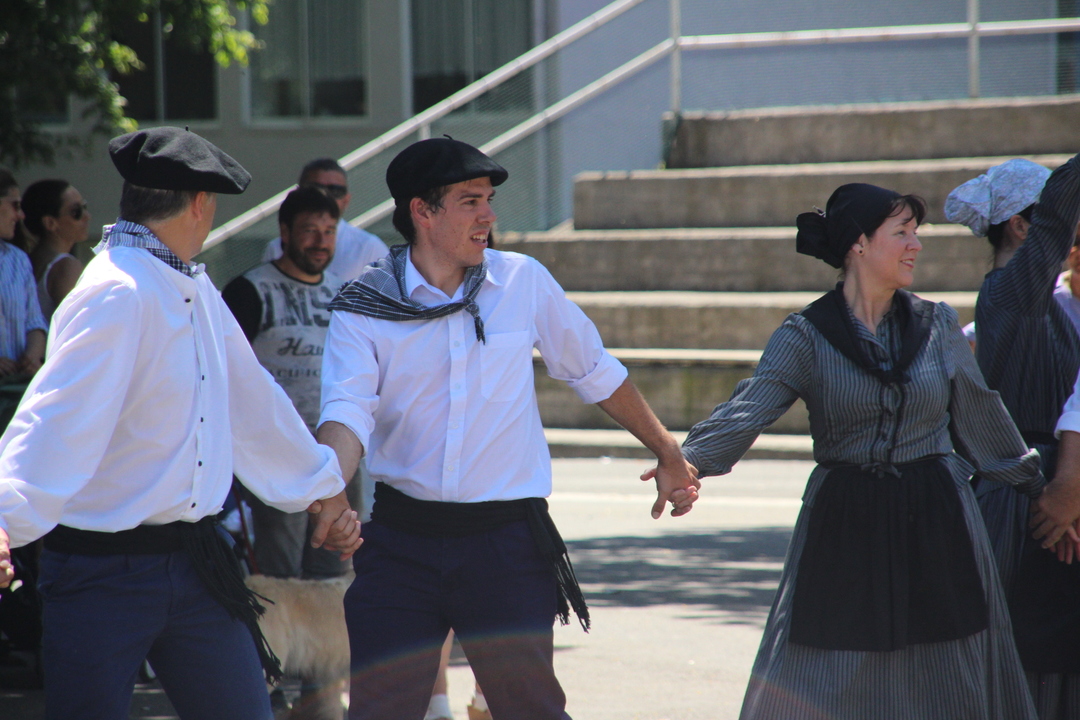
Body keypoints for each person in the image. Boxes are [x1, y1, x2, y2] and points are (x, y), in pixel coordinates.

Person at [316, 137, 700, 720]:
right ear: (422, 211)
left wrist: (668, 450)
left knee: (531, 711)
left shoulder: (522, 282)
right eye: (470, 202)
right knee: (377, 712)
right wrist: (330, 490)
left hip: (506, 544)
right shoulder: (365, 303)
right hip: (401, 542)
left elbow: (593, 369)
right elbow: (347, 411)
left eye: (489, 200)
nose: (488, 216)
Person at [0, 126, 362, 720]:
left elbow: (252, 401)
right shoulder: (117, 290)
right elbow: (54, 418)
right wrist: (4, 516)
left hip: (195, 564)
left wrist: (322, 490)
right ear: (200, 203)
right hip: (101, 575)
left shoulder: (191, 283)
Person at [674, 183, 1045, 719]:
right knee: (819, 673)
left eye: (916, 232)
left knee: (948, 673)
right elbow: (751, 406)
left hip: (938, 516)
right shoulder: (806, 334)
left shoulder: (937, 323)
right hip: (846, 520)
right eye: (902, 233)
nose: (916, 245)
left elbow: (981, 414)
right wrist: (689, 463)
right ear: (859, 244)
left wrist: (1043, 489)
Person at [946, 156, 1080, 719]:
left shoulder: (1047, 304)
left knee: (1054, 653)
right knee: (1024, 653)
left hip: (1053, 488)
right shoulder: (1010, 292)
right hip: (1022, 498)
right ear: (1023, 227)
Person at [223, 185, 364, 581]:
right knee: (279, 573)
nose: (321, 241)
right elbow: (227, 375)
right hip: (278, 451)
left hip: (339, 451)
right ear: (284, 232)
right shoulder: (249, 290)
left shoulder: (344, 293)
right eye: (310, 230)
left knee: (337, 570)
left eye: (329, 231)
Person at [262, 158, 389, 282]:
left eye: (336, 191)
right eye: (315, 189)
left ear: (346, 200)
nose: (325, 196)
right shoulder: (276, 248)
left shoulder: (370, 248)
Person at [21, 179, 91, 322]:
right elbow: (81, 323)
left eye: (85, 207)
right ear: (50, 223)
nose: (87, 216)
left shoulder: (24, 261)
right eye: (76, 212)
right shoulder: (66, 266)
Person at [0, 169, 47, 380]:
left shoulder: (18, 260)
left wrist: (32, 356)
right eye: (15, 206)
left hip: (15, 388)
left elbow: (35, 322)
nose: (20, 216)